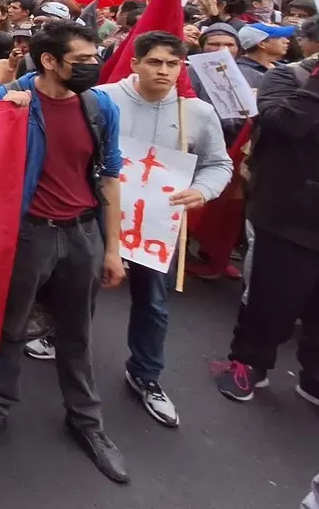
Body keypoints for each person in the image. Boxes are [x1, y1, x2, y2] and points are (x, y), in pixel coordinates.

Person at [0, 21, 129, 485]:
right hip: (28, 235)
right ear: (49, 61)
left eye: (93, 57)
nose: (92, 66)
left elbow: (109, 176)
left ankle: (86, 423)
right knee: (10, 327)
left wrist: (113, 248)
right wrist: (3, 111)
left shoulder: (100, 106)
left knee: (77, 331)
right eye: (81, 60)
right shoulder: (14, 101)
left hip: (82, 235)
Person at [94, 31, 232, 427]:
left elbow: (218, 164)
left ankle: (145, 374)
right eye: (155, 62)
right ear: (135, 63)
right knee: (79, 288)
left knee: (153, 304)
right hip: (100, 216)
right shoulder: (104, 99)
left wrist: (202, 190)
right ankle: (60, 340)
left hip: (157, 227)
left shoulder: (198, 114)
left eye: (173, 64)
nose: (164, 71)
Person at [212, 46, 319, 411]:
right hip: (290, 217)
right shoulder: (290, 77)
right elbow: (283, 123)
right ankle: (249, 363)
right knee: (274, 298)